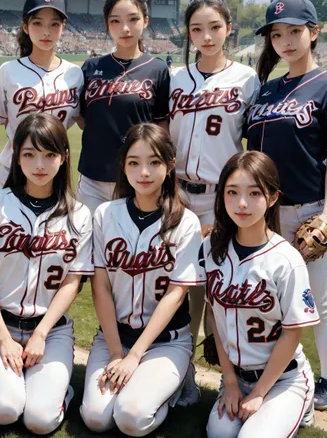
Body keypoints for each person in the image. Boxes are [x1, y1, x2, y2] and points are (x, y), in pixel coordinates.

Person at [247, 0, 327, 410]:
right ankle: (282, 375)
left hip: (314, 209)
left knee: (320, 303)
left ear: (314, 33)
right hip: (269, 215)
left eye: (295, 31)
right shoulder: (266, 90)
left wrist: (326, 216)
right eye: (277, 34)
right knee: (275, 302)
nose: (286, 41)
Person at [0, 113, 93, 434]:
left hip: (51, 332)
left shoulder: (79, 214)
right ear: (16, 155)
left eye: (50, 154)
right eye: (30, 154)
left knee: (40, 420)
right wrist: (4, 339)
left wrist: (40, 334)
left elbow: (72, 282)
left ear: (64, 158)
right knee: (5, 409)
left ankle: (55, 389)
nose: (40, 164)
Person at [79, 123, 203, 436]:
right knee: (96, 418)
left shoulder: (186, 221)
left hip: (166, 342)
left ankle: (173, 384)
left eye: (154, 162)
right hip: (115, 338)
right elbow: (101, 287)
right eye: (134, 162)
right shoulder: (106, 214)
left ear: (170, 165)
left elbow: (177, 294)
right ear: (123, 165)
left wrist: (135, 356)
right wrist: (117, 352)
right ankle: (143, 383)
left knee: (130, 419)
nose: (143, 172)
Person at [168, 0, 261, 404]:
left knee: (219, 292)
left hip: (223, 200)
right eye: (196, 29)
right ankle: (181, 374)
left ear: (228, 29)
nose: (206, 36)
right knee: (178, 291)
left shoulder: (247, 79)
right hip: (177, 196)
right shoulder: (174, 78)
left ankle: (236, 379)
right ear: (188, 33)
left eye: (214, 27)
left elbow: (256, 145)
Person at [202, 151, 318, 437]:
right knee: (220, 434)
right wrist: (229, 382)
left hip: (283, 378)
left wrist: (259, 394)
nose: (242, 203)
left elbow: (292, 334)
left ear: (273, 198)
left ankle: (302, 404)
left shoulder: (286, 260)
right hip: (236, 379)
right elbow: (214, 316)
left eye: (254, 193)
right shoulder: (212, 249)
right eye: (232, 192)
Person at [76, 0, 171, 215]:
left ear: (145, 21)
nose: (125, 28)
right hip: (93, 178)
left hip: (138, 180)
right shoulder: (91, 67)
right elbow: (81, 118)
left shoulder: (158, 69)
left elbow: (161, 127)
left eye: (133, 19)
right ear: (108, 24)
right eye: (115, 21)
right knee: (88, 247)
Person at [0, 0, 83, 189]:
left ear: (63, 26)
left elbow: (84, 122)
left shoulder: (74, 75)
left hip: (55, 171)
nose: (46, 32)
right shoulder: (9, 71)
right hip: (14, 171)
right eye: (38, 23)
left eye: (54, 24)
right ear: (25, 26)